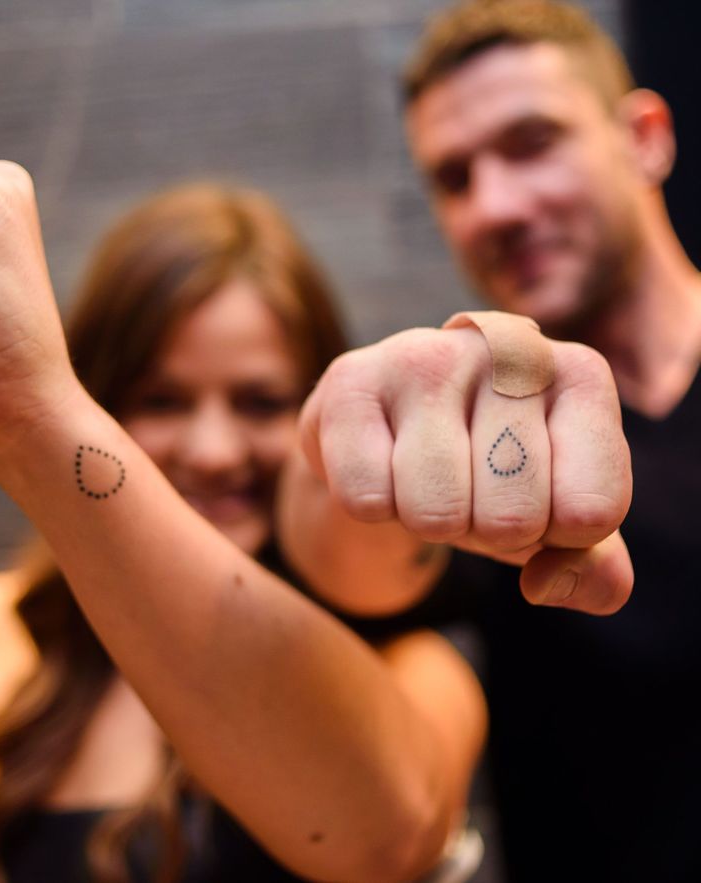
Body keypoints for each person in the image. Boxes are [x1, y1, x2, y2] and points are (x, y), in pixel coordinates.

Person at [0, 151, 633, 880]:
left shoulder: (414, 660)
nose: (215, 452)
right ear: (107, 395)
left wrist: (28, 411)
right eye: (163, 400)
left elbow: (384, 839)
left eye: (260, 402)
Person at [285, 2, 701, 882]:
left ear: (646, 138)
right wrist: (334, 445)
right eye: (454, 177)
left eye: (531, 141)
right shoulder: (481, 434)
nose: (494, 207)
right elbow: (349, 569)